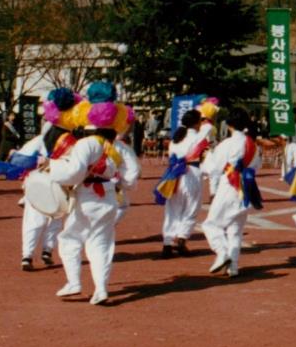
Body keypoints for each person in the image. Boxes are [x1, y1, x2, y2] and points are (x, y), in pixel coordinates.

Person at [51, 83, 140, 305]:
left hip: (85, 197)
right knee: (101, 244)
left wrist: (54, 169)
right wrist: (118, 183)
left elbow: (72, 174)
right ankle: (101, 289)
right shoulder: (120, 147)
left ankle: (74, 282)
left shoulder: (85, 144)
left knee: (70, 238)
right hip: (109, 198)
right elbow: (132, 177)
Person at [18, 87, 78, 269]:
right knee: (56, 217)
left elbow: (22, 156)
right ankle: (47, 250)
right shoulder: (73, 138)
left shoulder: (43, 137)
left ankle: (27, 255)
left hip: (39, 180)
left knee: (34, 218)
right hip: (61, 181)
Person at [201, 107, 263, 277]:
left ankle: (222, 252)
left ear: (229, 125)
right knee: (235, 228)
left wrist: (207, 157)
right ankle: (233, 266)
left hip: (229, 184)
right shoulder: (253, 145)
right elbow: (257, 165)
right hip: (247, 186)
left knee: (211, 224)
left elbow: (213, 168)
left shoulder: (228, 144)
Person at [157, 109, 206, 257]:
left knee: (172, 209)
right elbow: (205, 156)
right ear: (197, 123)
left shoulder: (175, 139)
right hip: (192, 173)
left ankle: (167, 243)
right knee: (191, 207)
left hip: (174, 175)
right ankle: (182, 239)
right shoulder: (199, 138)